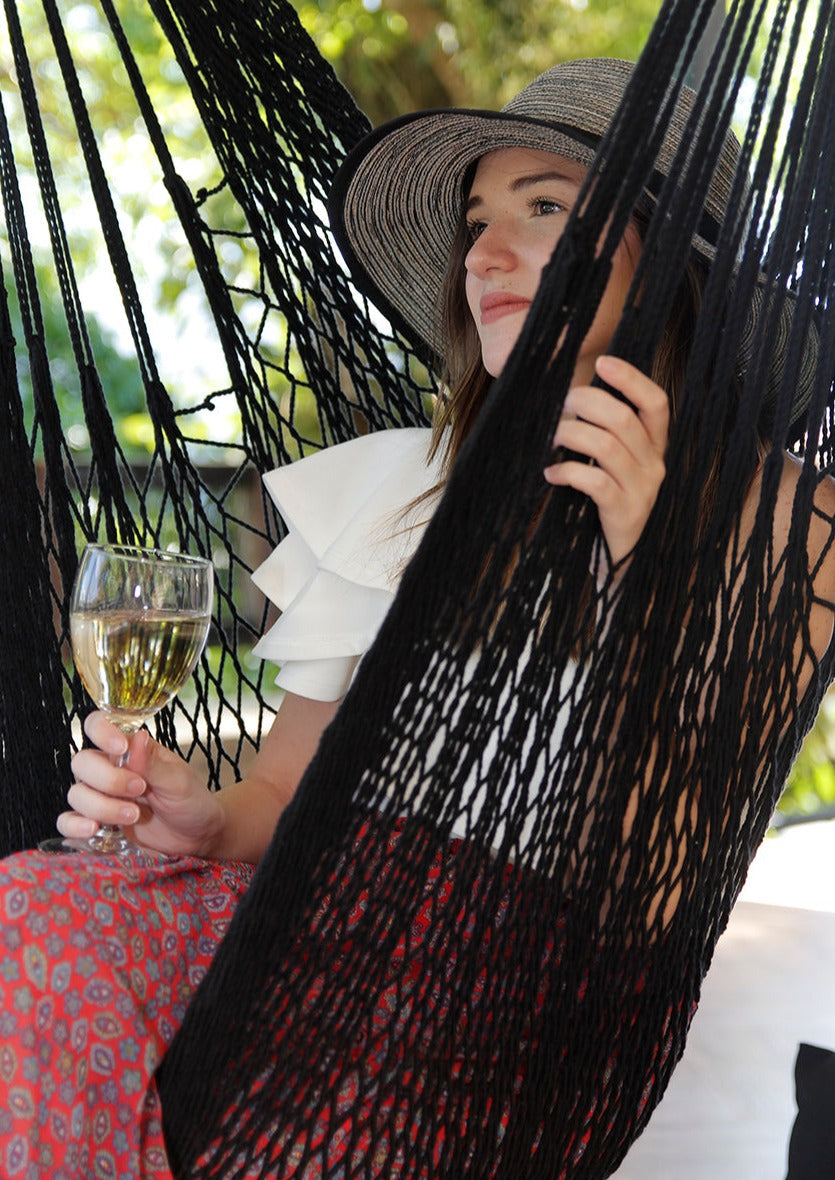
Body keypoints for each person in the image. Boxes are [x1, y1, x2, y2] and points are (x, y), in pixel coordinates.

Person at [0, 57, 832, 1179]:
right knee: (34, 911)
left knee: (301, 1144)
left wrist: (638, 554)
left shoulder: (783, 518)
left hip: (518, 980)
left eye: (544, 208)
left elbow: (667, 870)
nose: (482, 253)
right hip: (309, 918)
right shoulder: (406, 484)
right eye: (476, 220)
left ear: (676, 255)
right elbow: (280, 797)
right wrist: (202, 823)